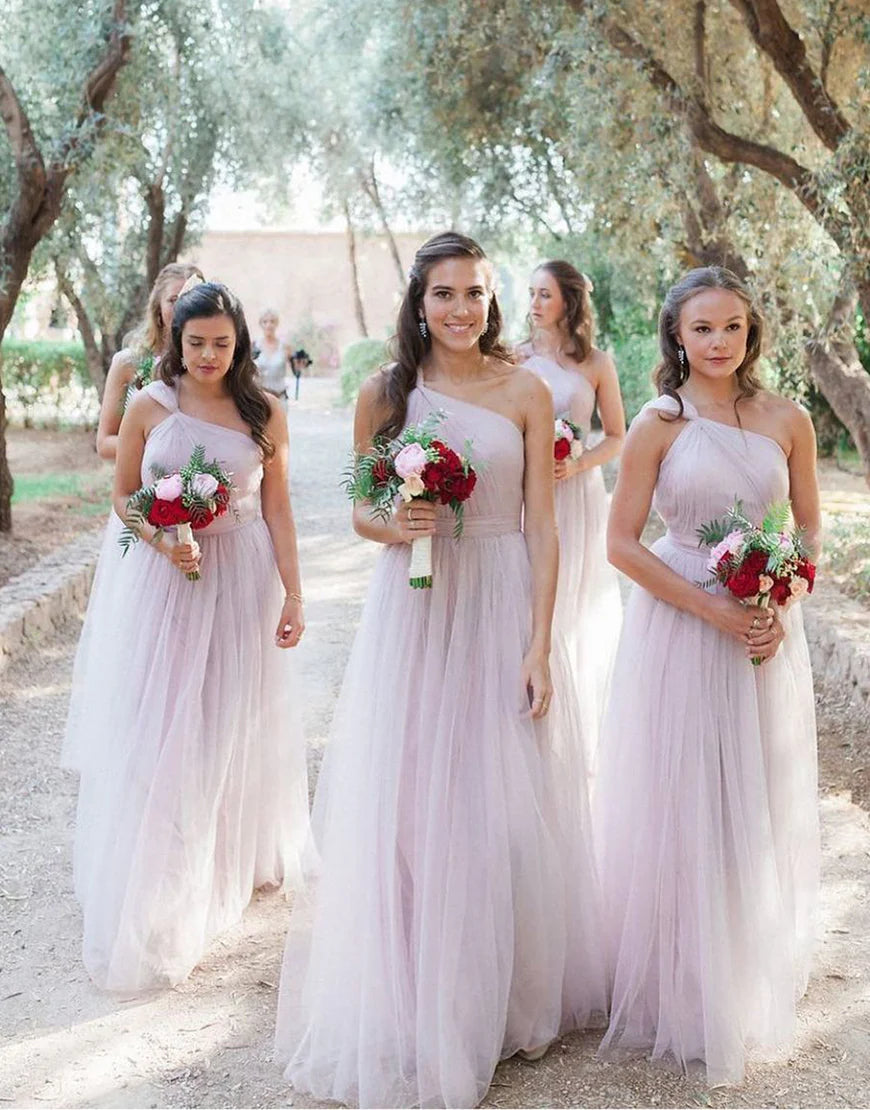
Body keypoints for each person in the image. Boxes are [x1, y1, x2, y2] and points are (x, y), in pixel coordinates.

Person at [275, 232, 606, 1108]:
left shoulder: (527, 391)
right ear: (417, 303)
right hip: (418, 610)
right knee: (416, 801)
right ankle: (420, 987)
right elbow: (359, 506)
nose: (461, 310)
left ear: (492, 300)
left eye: (476, 293)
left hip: (499, 602)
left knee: (501, 802)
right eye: (444, 294)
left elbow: (545, 526)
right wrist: (398, 520)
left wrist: (540, 643)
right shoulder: (387, 393)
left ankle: (498, 994)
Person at [596, 266, 820, 1085]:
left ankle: (742, 971)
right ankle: (678, 989)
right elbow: (620, 544)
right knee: (683, 794)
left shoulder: (788, 419)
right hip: (681, 624)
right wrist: (709, 607)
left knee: (749, 795)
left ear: (751, 331)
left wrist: (782, 597)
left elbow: (806, 528)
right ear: (676, 337)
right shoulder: (660, 422)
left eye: (731, 327)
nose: (718, 342)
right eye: (702, 329)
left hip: (762, 627)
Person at [62, 281, 310, 993]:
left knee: (229, 717)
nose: (206, 355)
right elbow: (122, 498)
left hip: (242, 576)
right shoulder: (149, 405)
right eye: (195, 342)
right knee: (164, 720)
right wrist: (163, 537)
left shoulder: (266, 413)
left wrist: (294, 591)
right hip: (165, 579)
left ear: (239, 344)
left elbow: (279, 509)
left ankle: (226, 852)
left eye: (220, 343)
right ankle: (160, 876)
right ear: (177, 339)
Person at [518, 261, 625, 772]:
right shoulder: (512, 360)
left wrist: (577, 462)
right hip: (524, 495)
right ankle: (529, 712)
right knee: (527, 597)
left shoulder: (597, 363)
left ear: (569, 302)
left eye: (545, 294)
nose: (534, 303)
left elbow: (618, 437)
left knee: (573, 604)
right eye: (532, 293)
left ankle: (575, 733)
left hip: (576, 493)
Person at [95, 262, 203, 461]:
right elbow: (104, 443)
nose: (183, 307)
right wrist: (160, 448)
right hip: (139, 485)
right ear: (158, 308)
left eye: (190, 299)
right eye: (173, 300)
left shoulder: (209, 365)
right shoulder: (127, 363)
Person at [254, 308, 291, 402]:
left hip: (279, 397)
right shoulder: (254, 345)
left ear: (277, 324)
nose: (268, 325)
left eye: (272, 321)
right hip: (260, 398)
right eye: (265, 322)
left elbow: (296, 370)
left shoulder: (285, 346)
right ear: (260, 324)